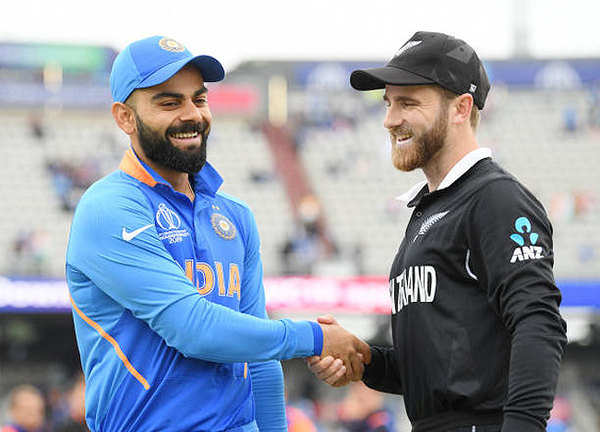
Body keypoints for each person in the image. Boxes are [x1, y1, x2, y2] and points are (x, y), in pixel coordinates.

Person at [65, 36, 369, 432]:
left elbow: (258, 361)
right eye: (169, 102)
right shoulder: (109, 207)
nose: (191, 115)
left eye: (199, 99)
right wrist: (313, 337)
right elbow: (190, 327)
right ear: (124, 117)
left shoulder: (235, 215)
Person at [308, 31, 567, 432]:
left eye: (408, 102)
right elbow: (444, 371)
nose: (390, 119)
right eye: (388, 103)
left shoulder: (496, 199)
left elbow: (538, 322)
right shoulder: (431, 208)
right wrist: (363, 359)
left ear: (462, 108)